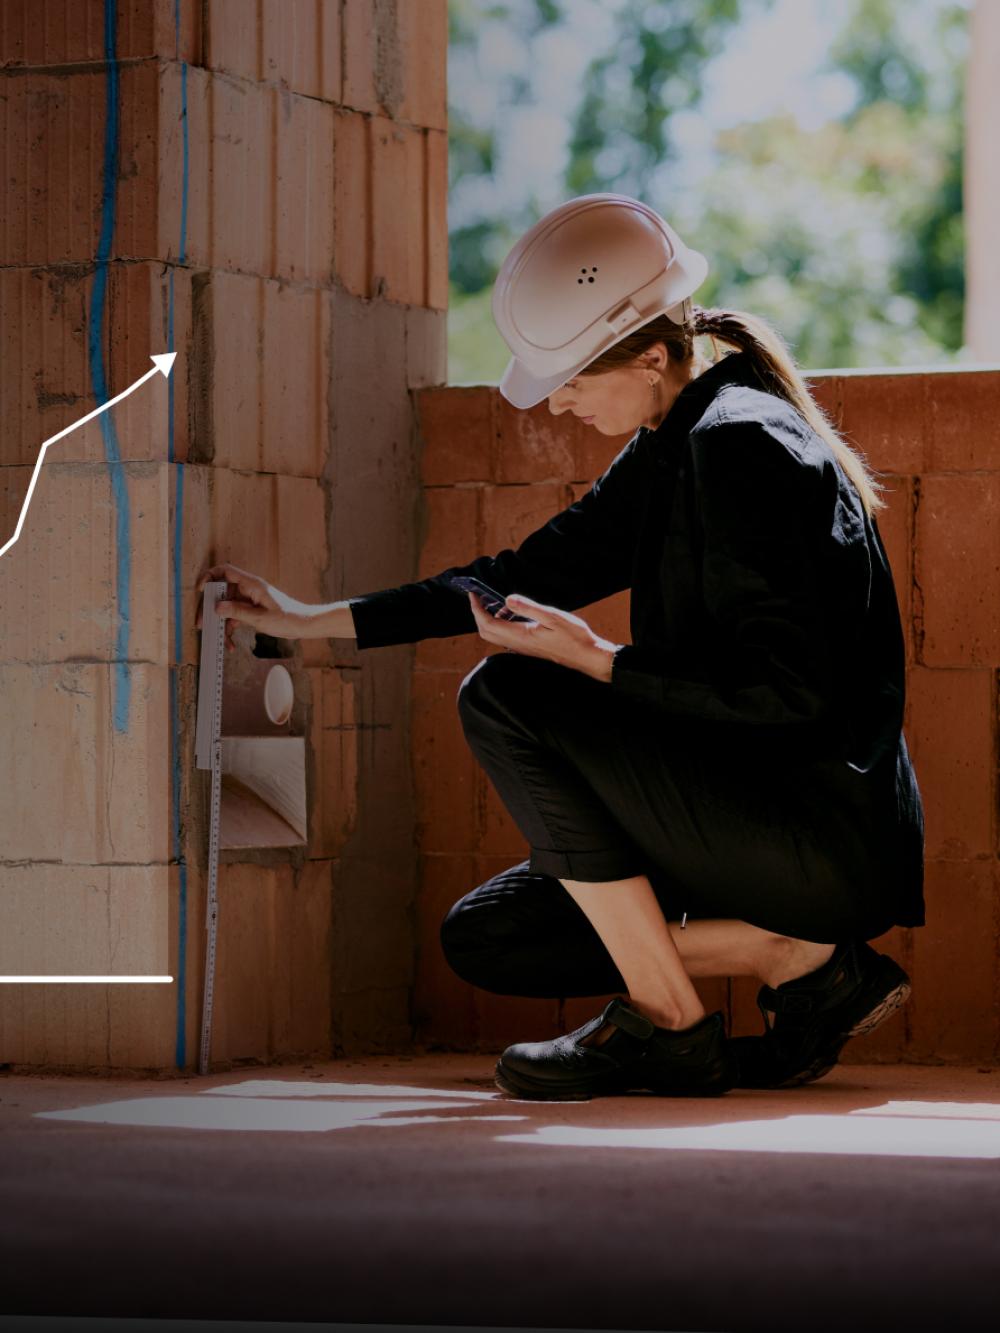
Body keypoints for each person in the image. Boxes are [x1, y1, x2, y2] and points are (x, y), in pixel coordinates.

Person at [195, 193, 924, 1104]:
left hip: (810, 830)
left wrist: (602, 662)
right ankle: (801, 960)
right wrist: (314, 618)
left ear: (652, 356)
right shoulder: (673, 443)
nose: (561, 400)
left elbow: (788, 698)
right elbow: (512, 577)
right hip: (743, 811)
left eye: (573, 376)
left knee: (505, 692)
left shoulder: (743, 447)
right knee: (492, 939)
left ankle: (670, 1026)